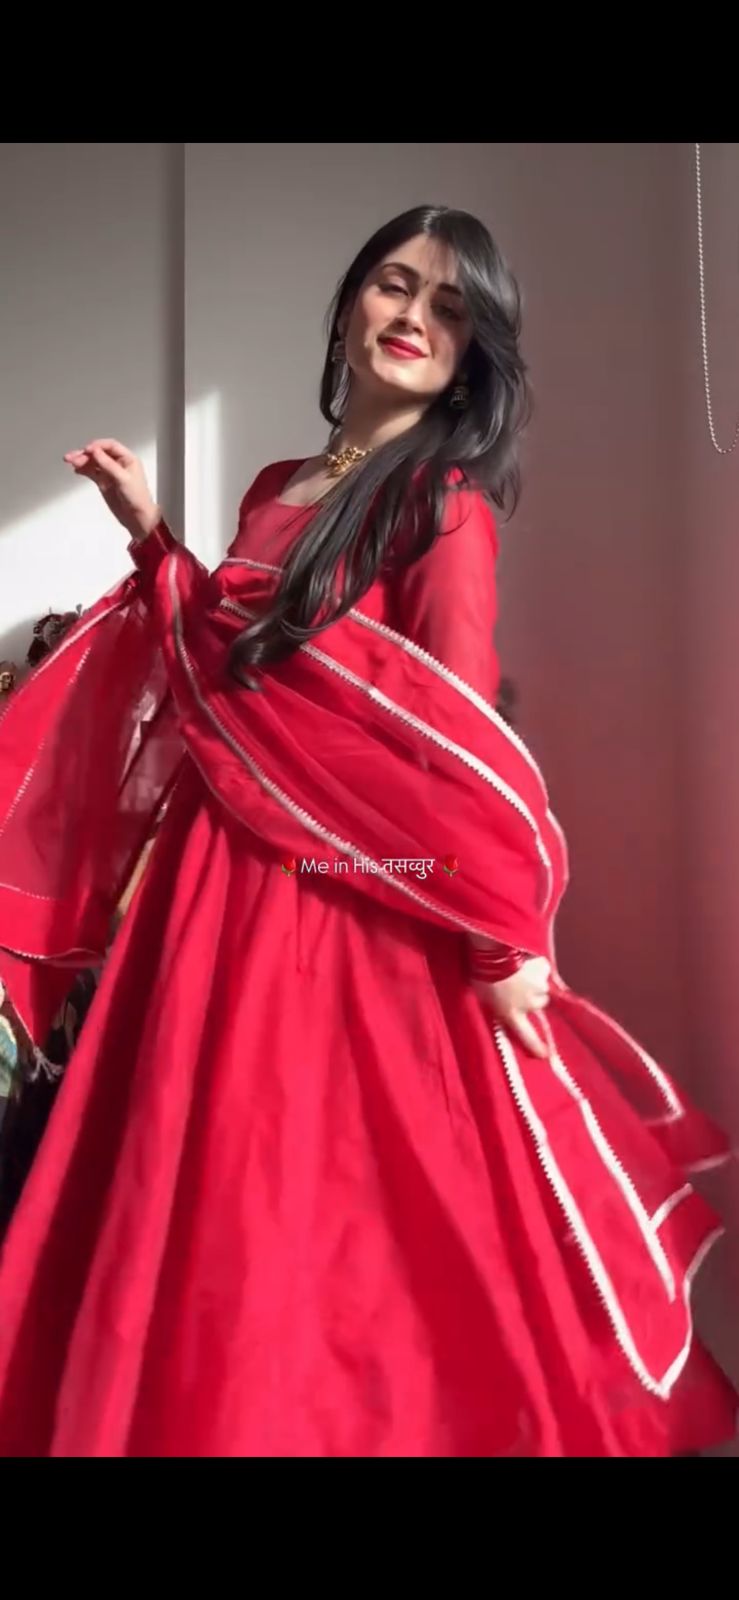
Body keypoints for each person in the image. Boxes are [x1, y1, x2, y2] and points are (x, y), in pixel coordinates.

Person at [0, 205, 735, 1458]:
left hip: (346, 903)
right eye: (395, 285)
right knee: (197, 1194)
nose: (414, 317)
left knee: (325, 1214)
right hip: (211, 892)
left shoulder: (442, 505)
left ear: (474, 350)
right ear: (349, 302)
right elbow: (228, 672)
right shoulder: (277, 487)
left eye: (450, 307)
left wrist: (498, 937)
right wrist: (152, 536)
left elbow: (459, 748)